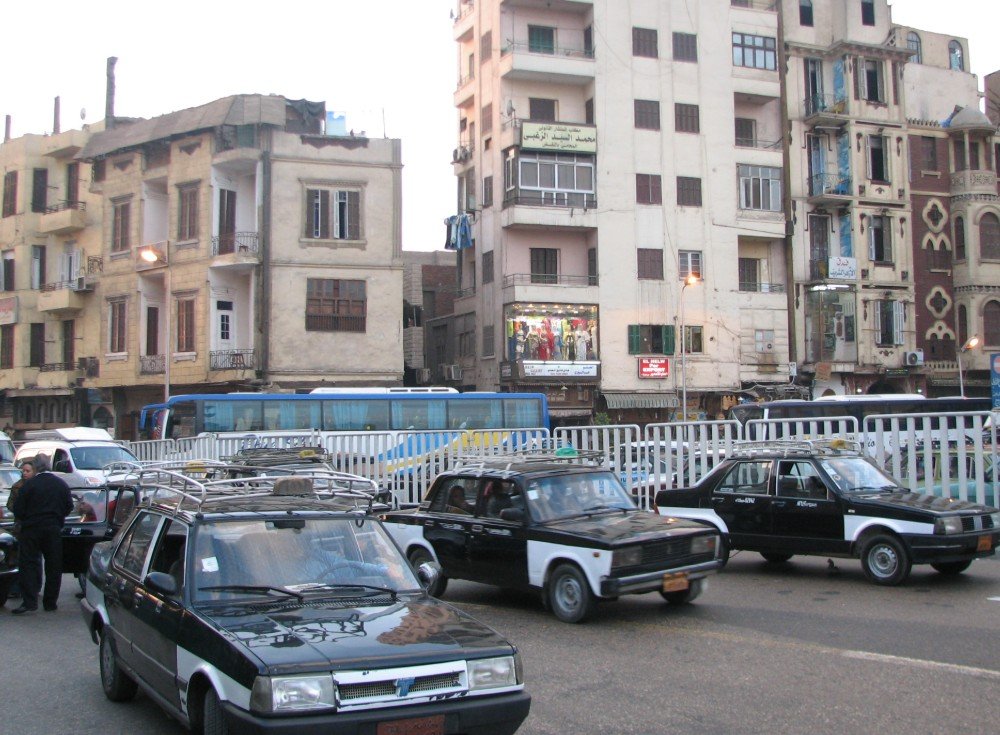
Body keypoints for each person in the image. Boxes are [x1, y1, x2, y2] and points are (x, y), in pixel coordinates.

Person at [11, 456, 73, 615]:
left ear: (36, 468)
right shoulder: (60, 484)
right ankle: (50, 602)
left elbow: (18, 509)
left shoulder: (29, 485)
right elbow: (69, 506)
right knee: (53, 566)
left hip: (31, 529)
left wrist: (27, 518)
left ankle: (29, 601)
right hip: (53, 528)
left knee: (29, 564)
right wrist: (57, 517)